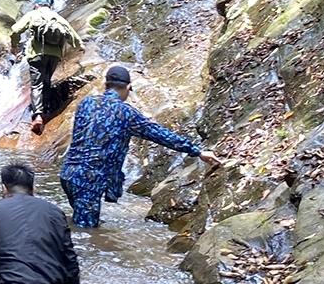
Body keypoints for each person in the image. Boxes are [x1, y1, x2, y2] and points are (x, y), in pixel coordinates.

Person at [60, 64, 220, 228]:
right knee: (86, 233)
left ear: (106, 84)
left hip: (68, 175)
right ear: (128, 87)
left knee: (79, 223)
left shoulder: (86, 103)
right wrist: (197, 151)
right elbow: (161, 135)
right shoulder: (126, 113)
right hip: (89, 181)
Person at [9, 0, 80, 134]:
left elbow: (15, 30)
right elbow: (74, 37)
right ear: (50, 5)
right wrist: (80, 48)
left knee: (37, 84)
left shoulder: (33, 14)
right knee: (47, 80)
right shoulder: (58, 18)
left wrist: (14, 45)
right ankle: (46, 110)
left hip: (36, 53)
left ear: (37, 5)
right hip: (54, 55)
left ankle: (38, 116)